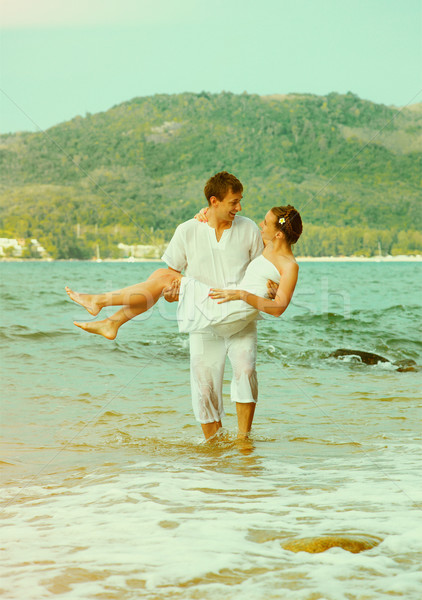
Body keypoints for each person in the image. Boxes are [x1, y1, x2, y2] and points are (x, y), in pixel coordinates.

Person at [66, 172, 302, 440]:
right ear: (214, 201)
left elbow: (277, 252)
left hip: (237, 315)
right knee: (204, 389)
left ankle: (243, 443)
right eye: (233, 202)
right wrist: (169, 294)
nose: (239, 208)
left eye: (239, 201)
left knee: (246, 371)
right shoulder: (187, 230)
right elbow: (168, 285)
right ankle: (215, 452)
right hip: (205, 313)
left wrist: (273, 288)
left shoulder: (249, 229)